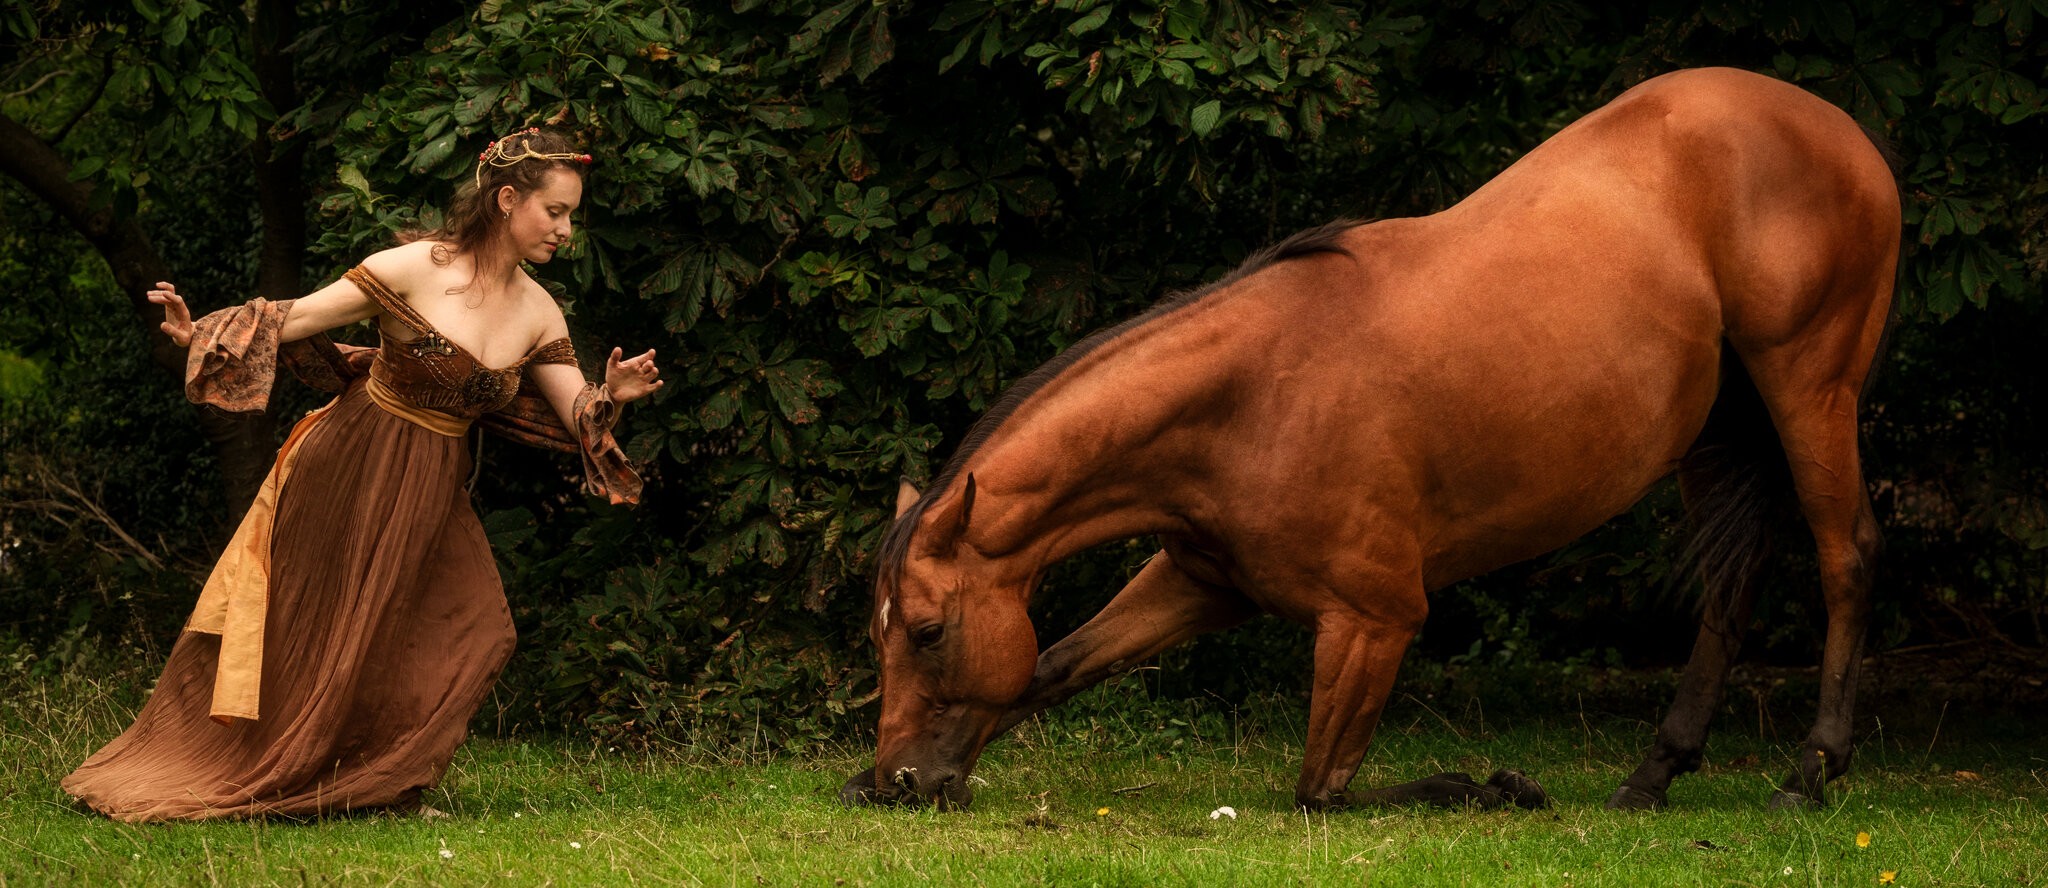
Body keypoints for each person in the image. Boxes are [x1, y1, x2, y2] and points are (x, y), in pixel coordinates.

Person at [61, 128, 661, 821]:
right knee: (321, 619)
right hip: (353, 459)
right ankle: (304, 772)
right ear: (505, 200)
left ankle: (374, 779)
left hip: (432, 480)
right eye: (554, 211)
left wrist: (612, 391)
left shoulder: (537, 310)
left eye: (570, 215)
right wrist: (202, 333)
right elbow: (299, 318)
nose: (565, 229)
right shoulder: (413, 268)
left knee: (475, 628)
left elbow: (576, 413)